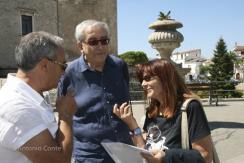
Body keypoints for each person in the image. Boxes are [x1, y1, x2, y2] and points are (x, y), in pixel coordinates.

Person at [58, 19, 132, 162]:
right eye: (93, 42)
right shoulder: (68, 72)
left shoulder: (120, 66)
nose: (100, 46)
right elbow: (63, 114)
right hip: (90, 155)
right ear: (80, 46)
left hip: (124, 151)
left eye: (104, 41)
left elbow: (127, 103)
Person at [113, 58, 214, 163]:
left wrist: (166, 156)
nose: (143, 84)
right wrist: (131, 123)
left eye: (147, 78)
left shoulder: (190, 107)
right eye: (141, 80)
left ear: (165, 79)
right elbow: (145, 149)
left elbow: (205, 155)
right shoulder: (152, 111)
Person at [0, 31, 77, 163]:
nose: (64, 73)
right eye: (63, 66)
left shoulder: (31, 96)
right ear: (44, 65)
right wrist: (65, 116)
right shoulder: (18, 107)